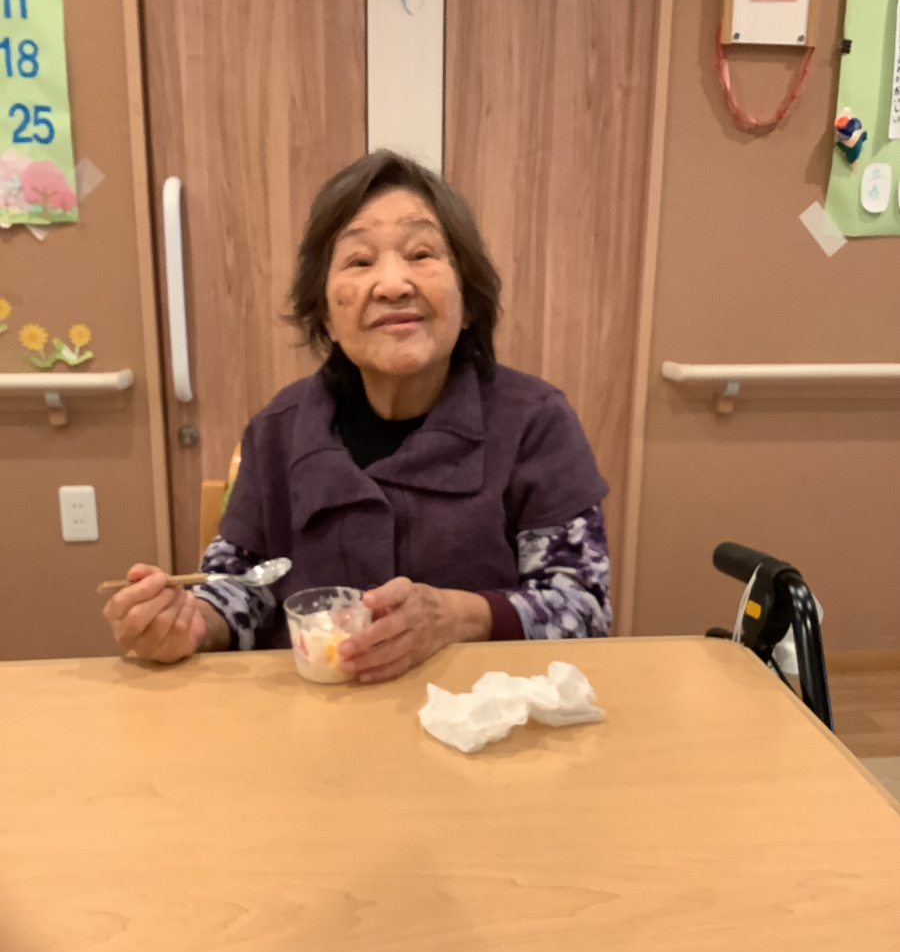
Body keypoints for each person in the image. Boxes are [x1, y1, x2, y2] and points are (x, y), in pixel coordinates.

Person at [104, 151, 612, 683]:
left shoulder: (535, 422)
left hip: (484, 714)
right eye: (359, 261)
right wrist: (189, 623)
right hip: (317, 716)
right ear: (325, 311)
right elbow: (242, 587)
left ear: (467, 299)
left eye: (421, 253)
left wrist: (458, 615)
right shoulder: (277, 430)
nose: (392, 284)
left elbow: (584, 608)